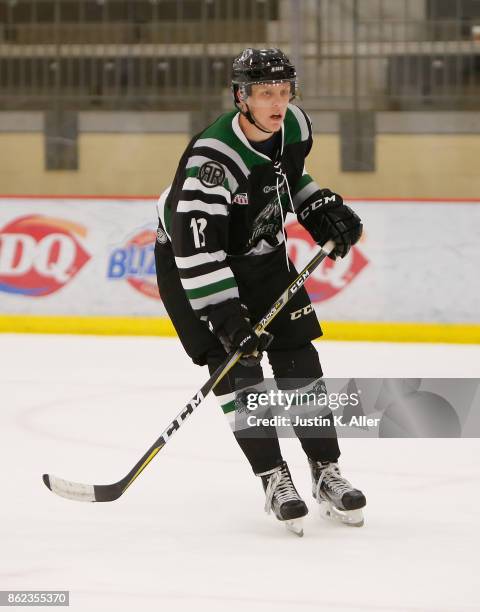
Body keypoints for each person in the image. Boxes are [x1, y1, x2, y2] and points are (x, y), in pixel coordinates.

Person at [154, 48, 366, 535]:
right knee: (238, 366)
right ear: (240, 97)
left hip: (261, 251)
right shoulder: (212, 160)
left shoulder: (294, 126)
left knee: (298, 355)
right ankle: (273, 476)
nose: (278, 102)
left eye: (285, 91)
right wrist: (226, 317)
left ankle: (325, 471)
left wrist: (318, 206)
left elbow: (288, 180)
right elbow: (197, 249)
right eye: (265, 93)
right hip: (192, 259)